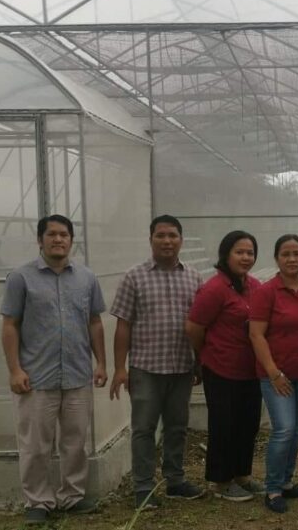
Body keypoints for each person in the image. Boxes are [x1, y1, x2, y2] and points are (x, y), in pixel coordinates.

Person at [0, 214, 107, 526]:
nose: (58, 240)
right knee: (35, 444)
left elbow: (95, 322)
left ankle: (72, 496)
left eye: (64, 235)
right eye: (52, 235)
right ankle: (38, 501)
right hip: (37, 378)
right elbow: (10, 325)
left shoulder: (86, 278)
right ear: (40, 240)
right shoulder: (21, 278)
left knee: (75, 440)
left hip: (77, 375)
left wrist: (100, 363)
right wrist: (14, 370)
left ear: (71, 240)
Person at [109, 215, 204, 510]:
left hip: (181, 366)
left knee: (178, 426)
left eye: (172, 235)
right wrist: (120, 368)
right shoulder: (134, 276)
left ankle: (175, 481)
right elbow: (123, 325)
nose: (167, 241)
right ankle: (144, 488)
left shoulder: (194, 277)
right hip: (146, 368)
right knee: (143, 429)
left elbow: (200, 325)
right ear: (150, 239)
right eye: (160, 235)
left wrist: (199, 361)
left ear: (181, 240)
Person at [186, 230, 264, 503]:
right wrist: (206, 353)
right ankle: (219, 481)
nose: (245, 257)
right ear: (226, 254)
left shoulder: (254, 285)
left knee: (248, 424)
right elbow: (194, 327)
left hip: (250, 369)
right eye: (239, 252)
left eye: (250, 252)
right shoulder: (215, 288)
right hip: (221, 369)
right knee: (223, 425)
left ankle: (242, 475)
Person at [249, 234, 298, 513]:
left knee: (297, 430)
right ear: (277, 258)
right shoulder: (266, 292)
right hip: (275, 376)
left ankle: (287, 481)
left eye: (297, 254)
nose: (292, 259)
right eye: (286, 254)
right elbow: (256, 335)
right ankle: (273, 488)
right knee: (284, 430)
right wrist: (274, 372)